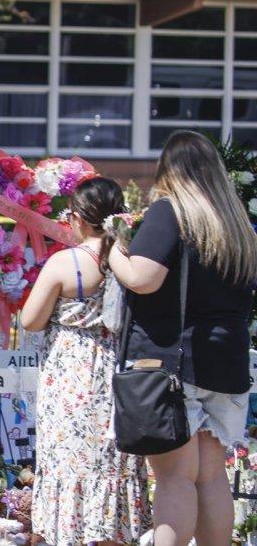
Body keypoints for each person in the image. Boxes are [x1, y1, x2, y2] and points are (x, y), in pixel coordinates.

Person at [109, 130, 257, 546]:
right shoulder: (237, 224)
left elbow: (143, 278)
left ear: (168, 170)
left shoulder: (170, 212)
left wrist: (114, 252)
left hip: (173, 365)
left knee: (175, 476)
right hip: (226, 365)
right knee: (211, 476)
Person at [20, 177, 150, 546]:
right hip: (118, 370)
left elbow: (30, 320)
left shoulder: (66, 262)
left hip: (70, 374)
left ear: (77, 218)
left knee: (68, 462)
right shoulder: (131, 259)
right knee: (113, 464)